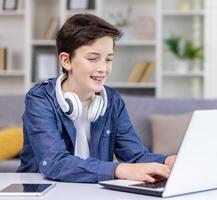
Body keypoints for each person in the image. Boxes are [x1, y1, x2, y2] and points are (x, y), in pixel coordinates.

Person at [17, 14, 176, 183]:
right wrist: (119, 169)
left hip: (93, 190)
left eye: (108, 59)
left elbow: (135, 155)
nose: (103, 68)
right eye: (93, 59)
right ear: (66, 60)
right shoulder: (40, 99)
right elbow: (54, 163)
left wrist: (168, 162)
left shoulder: (113, 102)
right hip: (43, 189)